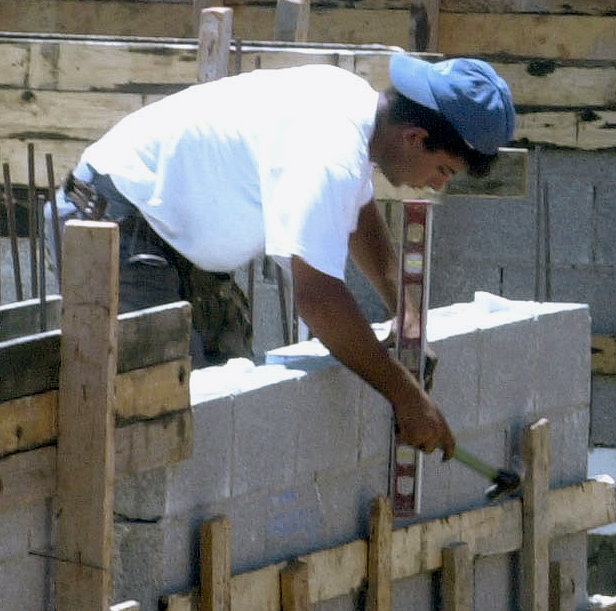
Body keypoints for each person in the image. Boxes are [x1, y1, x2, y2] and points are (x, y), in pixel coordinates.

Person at [62, 54, 516, 457]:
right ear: (415, 137)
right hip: (113, 222)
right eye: (443, 169)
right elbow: (318, 299)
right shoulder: (329, 150)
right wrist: (407, 397)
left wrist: (407, 312)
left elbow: (358, 211)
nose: (438, 185)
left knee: (224, 406)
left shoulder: (355, 111)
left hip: (168, 234)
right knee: (159, 421)